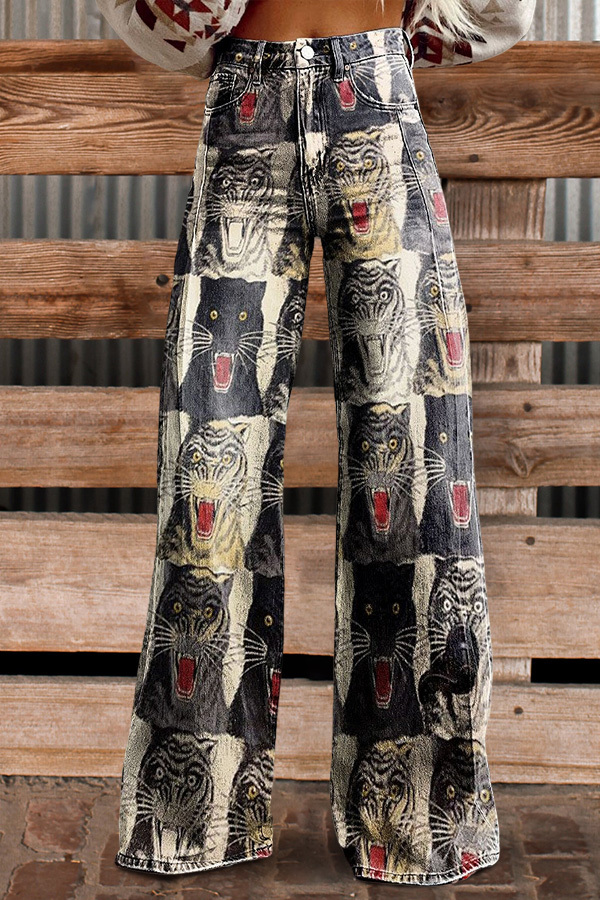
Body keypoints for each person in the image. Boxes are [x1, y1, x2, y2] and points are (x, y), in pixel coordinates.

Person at [96, 0, 536, 887]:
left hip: (378, 96)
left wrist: (398, 37)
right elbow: (144, 17)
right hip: (245, 115)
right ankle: (191, 818)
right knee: (207, 472)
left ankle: (417, 820)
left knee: (412, 461)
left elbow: (501, 11)